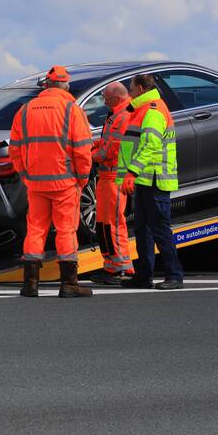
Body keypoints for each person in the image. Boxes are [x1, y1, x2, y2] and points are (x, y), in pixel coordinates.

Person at [9, 65, 93, 298]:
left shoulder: (25, 110)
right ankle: (68, 284)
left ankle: (30, 284)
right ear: (65, 85)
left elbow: (14, 149)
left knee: (35, 230)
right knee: (66, 230)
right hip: (65, 182)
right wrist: (83, 176)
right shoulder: (71, 110)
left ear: (46, 85)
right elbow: (83, 149)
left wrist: (25, 173)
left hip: (35, 182)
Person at [120, 73, 184, 290]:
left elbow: (151, 146)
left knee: (159, 229)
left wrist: (131, 172)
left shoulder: (153, 111)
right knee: (143, 229)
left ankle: (174, 275)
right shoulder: (142, 109)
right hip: (146, 179)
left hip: (154, 178)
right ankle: (144, 276)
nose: (128, 91)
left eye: (130, 87)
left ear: (140, 88)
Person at [88, 81, 136, 285]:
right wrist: (91, 146)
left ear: (116, 98)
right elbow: (108, 142)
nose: (105, 103)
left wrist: (87, 155)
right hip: (109, 176)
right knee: (105, 224)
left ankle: (121, 268)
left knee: (113, 223)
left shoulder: (123, 115)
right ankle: (113, 265)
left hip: (114, 176)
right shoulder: (117, 114)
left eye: (106, 99)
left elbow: (111, 150)